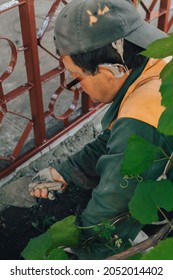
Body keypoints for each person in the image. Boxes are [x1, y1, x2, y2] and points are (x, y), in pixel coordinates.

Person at [29, 0, 173, 259]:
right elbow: (120, 138)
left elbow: (115, 202)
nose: (78, 87)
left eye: (76, 77)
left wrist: (78, 255)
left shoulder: (141, 119)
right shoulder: (158, 60)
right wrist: (65, 172)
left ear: (110, 72)